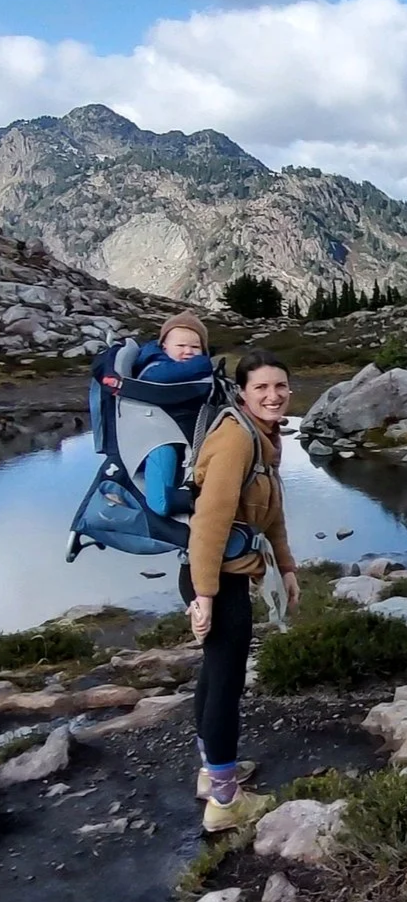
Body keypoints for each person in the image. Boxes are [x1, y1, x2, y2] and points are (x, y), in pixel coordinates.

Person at [180, 348, 300, 833]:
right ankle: (227, 804)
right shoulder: (235, 439)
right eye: (262, 388)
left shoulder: (264, 437)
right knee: (227, 683)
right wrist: (205, 595)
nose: (273, 396)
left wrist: (286, 567)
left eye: (280, 386)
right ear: (242, 393)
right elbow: (209, 521)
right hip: (214, 575)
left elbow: (271, 512)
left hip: (222, 572)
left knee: (215, 673)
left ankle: (212, 777)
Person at [133, 311, 213, 516]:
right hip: (159, 441)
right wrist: (203, 362)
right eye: (181, 346)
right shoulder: (154, 365)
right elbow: (164, 377)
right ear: (164, 346)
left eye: (195, 347)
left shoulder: (188, 372)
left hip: (178, 440)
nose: (188, 351)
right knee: (160, 503)